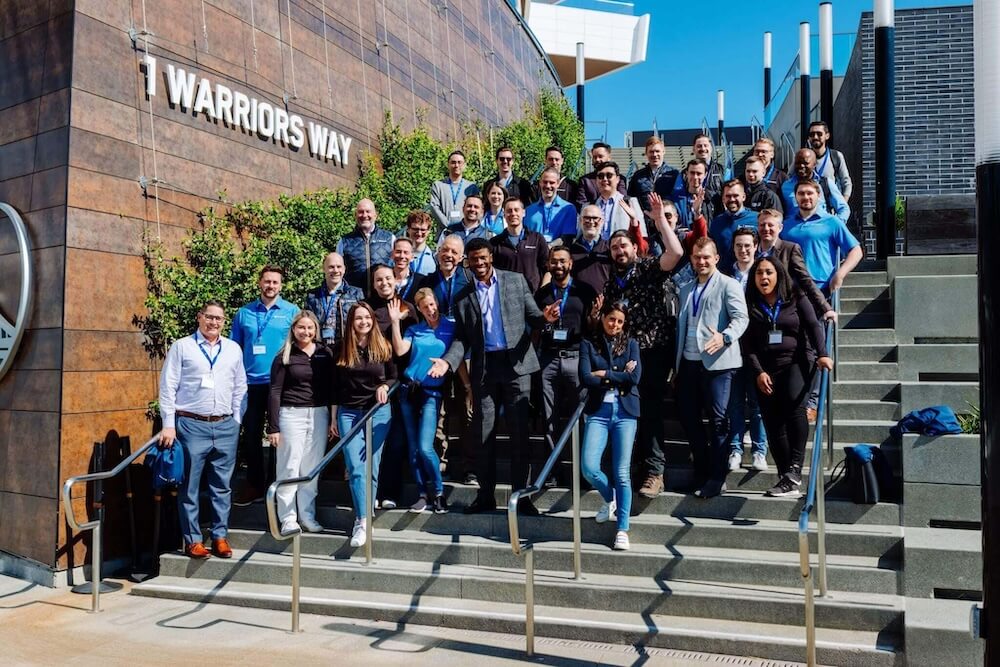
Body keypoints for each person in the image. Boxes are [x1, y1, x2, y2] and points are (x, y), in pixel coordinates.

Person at [428, 238, 562, 515]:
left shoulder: (515, 281)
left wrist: (546, 318)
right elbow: (461, 339)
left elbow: (534, 317)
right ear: (468, 261)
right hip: (486, 369)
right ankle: (485, 496)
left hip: (517, 366)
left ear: (491, 257)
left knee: (519, 435)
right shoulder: (463, 296)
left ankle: (521, 497)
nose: (479, 264)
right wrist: (447, 363)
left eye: (483, 258)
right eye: (474, 259)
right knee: (483, 434)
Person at [603, 194, 685, 499]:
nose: (619, 250)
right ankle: (633, 468)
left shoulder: (649, 267)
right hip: (625, 355)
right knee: (629, 411)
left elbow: (675, 253)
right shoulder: (613, 282)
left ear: (635, 248)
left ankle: (655, 471)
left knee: (650, 408)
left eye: (624, 245)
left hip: (653, 350)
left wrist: (659, 220)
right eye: (614, 247)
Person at [158, 300, 247, 559]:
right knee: (190, 486)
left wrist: (237, 419)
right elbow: (168, 387)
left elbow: (240, 386)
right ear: (199, 317)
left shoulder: (233, 349)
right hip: (191, 425)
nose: (214, 323)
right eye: (209, 317)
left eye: (219, 319)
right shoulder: (182, 347)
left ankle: (220, 536)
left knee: (222, 486)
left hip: (225, 425)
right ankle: (193, 540)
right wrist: (168, 425)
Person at [741, 256, 833, 497]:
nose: (764, 278)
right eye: (759, 273)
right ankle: (786, 477)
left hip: (795, 363)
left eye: (769, 272)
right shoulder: (750, 303)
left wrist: (823, 354)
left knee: (794, 409)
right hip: (765, 369)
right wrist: (759, 371)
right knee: (773, 423)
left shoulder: (795, 296)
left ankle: (795, 468)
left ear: (779, 274)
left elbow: (814, 325)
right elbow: (747, 343)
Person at [674, 238, 749, 499]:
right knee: (689, 419)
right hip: (689, 363)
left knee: (718, 422)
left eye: (706, 257)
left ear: (716, 258)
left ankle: (717, 477)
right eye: (697, 257)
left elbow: (742, 318)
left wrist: (725, 336)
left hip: (718, 364)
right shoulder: (685, 289)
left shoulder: (728, 285)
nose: (701, 261)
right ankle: (701, 471)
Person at [230, 266, 299, 506]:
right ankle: (254, 484)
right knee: (250, 436)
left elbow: (300, 343)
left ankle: (275, 483)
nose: (271, 286)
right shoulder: (244, 313)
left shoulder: (292, 311)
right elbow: (233, 349)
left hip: (281, 384)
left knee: (280, 435)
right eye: (267, 281)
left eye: (275, 282)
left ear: (281, 285)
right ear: (260, 283)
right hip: (250, 383)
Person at [333, 301, 397, 547]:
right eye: (359, 318)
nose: (364, 322)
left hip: (377, 412)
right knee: (356, 466)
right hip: (348, 413)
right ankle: (363, 517)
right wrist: (332, 418)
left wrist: (385, 386)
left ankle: (363, 517)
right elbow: (334, 387)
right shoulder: (341, 349)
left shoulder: (383, 346)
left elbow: (393, 376)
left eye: (367, 318)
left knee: (371, 465)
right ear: (351, 322)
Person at [579, 301, 641, 552]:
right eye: (611, 319)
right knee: (589, 467)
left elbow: (635, 378)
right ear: (603, 317)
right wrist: (617, 375)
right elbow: (584, 376)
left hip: (625, 412)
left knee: (622, 472)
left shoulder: (632, 344)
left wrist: (603, 373)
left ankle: (622, 529)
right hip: (598, 412)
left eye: (619, 321)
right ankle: (610, 497)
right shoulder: (588, 343)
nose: (614, 325)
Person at [267, 311, 335, 534]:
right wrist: (273, 427)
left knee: (311, 468)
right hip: (291, 414)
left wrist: (332, 418)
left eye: (310, 328)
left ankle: (307, 515)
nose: (306, 332)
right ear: (294, 330)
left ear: (316, 330)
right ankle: (287, 518)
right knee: (289, 466)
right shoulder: (284, 356)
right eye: (301, 328)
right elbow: (275, 392)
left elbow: (331, 389)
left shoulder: (325, 353)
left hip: (318, 414)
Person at [387, 290, 453, 514]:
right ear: (419, 309)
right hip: (409, 390)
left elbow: (459, 354)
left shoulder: (450, 326)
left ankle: (439, 493)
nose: (430, 310)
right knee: (414, 448)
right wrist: (395, 322)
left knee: (426, 447)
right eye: (425, 307)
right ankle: (422, 494)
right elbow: (400, 349)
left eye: (432, 304)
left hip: (432, 393)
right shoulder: (415, 330)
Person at [534, 247, 598, 476]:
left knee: (580, 415)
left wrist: (594, 319)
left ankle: (585, 470)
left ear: (570, 263)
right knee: (548, 416)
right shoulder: (541, 295)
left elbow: (593, 328)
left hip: (576, 357)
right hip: (548, 359)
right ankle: (552, 470)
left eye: (562, 261)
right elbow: (533, 327)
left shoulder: (585, 291)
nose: (558, 266)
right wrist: (545, 319)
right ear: (548, 265)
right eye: (554, 262)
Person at [418, 235, 477, 483]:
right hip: (437, 354)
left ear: (462, 257)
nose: (448, 255)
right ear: (437, 253)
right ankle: (439, 464)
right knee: (439, 410)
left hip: (466, 353)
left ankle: (468, 467)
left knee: (467, 409)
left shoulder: (471, 281)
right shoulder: (428, 282)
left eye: (454, 252)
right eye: (444, 250)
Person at [727, 228, 768, 472]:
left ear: (755, 247)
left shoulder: (763, 273)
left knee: (756, 402)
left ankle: (759, 450)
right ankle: (735, 448)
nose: (743, 250)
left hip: (757, 347)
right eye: (739, 246)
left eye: (747, 245)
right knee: (734, 403)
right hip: (732, 347)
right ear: (733, 249)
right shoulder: (725, 275)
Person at [781, 181, 864, 295]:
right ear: (795, 197)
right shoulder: (785, 225)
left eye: (810, 193)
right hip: (791, 288)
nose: (805, 197)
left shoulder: (832, 222)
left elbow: (856, 251)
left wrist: (840, 275)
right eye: (801, 193)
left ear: (818, 195)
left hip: (821, 288)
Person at [756, 209, 836, 321]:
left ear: (780, 228)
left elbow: (805, 280)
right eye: (762, 225)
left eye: (770, 225)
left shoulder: (790, 249)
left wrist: (826, 308)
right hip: (757, 311)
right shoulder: (751, 251)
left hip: (784, 310)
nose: (766, 229)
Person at [490, 196, 550, 292]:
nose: (513, 213)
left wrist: (543, 290)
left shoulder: (537, 239)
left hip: (533, 296)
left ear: (523, 212)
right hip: (507, 297)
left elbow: (547, 269)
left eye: (516, 210)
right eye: (509, 211)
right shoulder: (495, 243)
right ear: (504, 214)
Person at [336, 199, 396, 295]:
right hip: (354, 299)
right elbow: (337, 272)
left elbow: (397, 268)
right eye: (360, 212)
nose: (364, 215)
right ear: (355, 216)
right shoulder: (344, 241)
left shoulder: (389, 238)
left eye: (368, 211)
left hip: (381, 298)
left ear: (375, 215)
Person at [305, 252, 364, 347]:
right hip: (320, 348)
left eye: (339, 266)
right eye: (331, 267)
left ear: (344, 269)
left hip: (348, 347)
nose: (336, 270)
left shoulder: (357, 294)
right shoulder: (312, 296)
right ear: (323, 269)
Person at [780, 148, 850, 224]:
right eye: (798, 163)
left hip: (820, 231)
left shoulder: (825, 184)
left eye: (806, 163)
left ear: (814, 164)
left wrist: (833, 227)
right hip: (794, 232)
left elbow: (844, 209)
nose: (801, 166)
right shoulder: (785, 186)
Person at [590, 161, 648, 246]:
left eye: (609, 175)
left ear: (617, 179)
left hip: (621, 253)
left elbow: (642, 235)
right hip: (595, 254)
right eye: (601, 176)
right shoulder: (591, 206)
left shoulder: (630, 202)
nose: (605, 179)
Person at [708, 180, 758, 273]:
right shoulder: (717, 222)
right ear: (723, 198)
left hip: (752, 275)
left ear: (743, 197)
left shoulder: (756, 219)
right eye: (728, 196)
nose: (732, 199)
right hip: (724, 275)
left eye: (735, 196)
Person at [564, 204, 613, 295]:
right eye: (587, 218)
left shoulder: (609, 249)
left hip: (603, 303)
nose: (591, 222)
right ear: (580, 221)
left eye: (595, 218)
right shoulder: (570, 250)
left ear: (602, 222)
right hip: (577, 302)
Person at [627, 136, 678, 219]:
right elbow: (631, 197)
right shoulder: (638, 176)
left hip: (666, 219)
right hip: (644, 219)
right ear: (646, 153)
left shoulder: (674, 174)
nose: (654, 155)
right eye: (651, 152)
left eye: (657, 151)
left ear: (663, 151)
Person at [430, 149, 480, 230]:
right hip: (445, 232)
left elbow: (477, 208)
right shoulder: (438, 185)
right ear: (448, 165)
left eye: (459, 162)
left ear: (464, 165)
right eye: (453, 162)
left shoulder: (471, 187)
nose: (456, 165)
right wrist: (447, 225)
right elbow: (434, 207)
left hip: (466, 231)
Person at [524, 168, 577, 243]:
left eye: (552, 183)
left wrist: (548, 248)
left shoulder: (568, 209)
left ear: (558, 184)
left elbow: (567, 237)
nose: (548, 186)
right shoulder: (529, 210)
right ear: (540, 183)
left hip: (558, 253)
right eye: (545, 182)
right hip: (534, 253)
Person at [807, 121, 852, 200]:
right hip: (809, 207)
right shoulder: (802, 157)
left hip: (830, 209)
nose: (815, 137)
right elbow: (790, 179)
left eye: (819, 134)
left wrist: (843, 205)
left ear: (827, 136)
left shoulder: (836, 156)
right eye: (812, 134)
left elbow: (846, 182)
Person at [576, 141, 627, 209]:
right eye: (594, 157)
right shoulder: (585, 180)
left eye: (600, 156)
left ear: (609, 157)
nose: (597, 160)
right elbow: (581, 204)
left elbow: (622, 200)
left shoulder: (620, 179)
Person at [672, 158, 715, 230]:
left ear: (705, 175)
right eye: (692, 173)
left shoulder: (713, 199)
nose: (695, 177)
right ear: (686, 174)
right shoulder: (675, 199)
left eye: (699, 173)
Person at [405, 211, 438, 276]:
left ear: (428, 231)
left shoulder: (435, 257)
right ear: (408, 229)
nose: (419, 233)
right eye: (415, 229)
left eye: (423, 230)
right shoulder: (399, 256)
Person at [391, 238, 424, 303]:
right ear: (392, 254)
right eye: (398, 252)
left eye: (406, 252)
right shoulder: (384, 279)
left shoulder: (421, 281)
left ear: (412, 257)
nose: (402, 256)